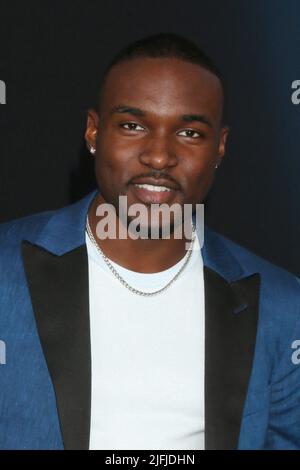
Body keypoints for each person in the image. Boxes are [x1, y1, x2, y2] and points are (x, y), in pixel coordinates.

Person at [0, 32, 300, 451]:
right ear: (93, 132)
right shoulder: (5, 272)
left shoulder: (283, 307)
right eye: (133, 125)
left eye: (191, 133)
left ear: (220, 147)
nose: (159, 156)